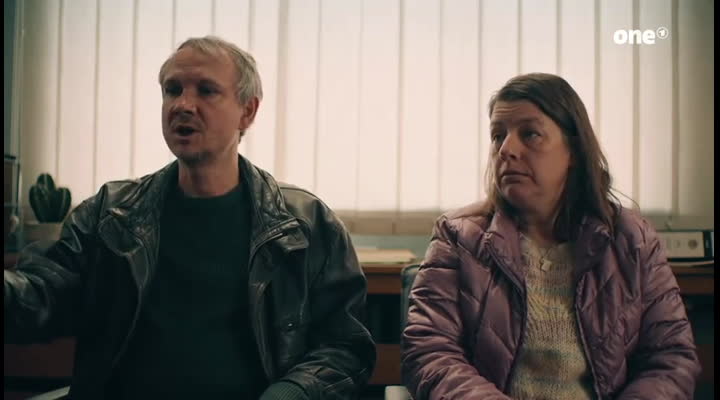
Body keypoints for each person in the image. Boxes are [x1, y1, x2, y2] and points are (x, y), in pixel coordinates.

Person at [4, 36, 375, 399]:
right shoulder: (110, 214)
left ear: (247, 111)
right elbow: (38, 298)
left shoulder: (306, 225)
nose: (182, 104)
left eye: (206, 91)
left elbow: (345, 347)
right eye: (173, 89)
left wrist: (291, 393)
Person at [401, 73, 700, 400]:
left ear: (574, 150)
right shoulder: (458, 237)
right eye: (498, 136)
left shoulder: (632, 240)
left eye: (530, 134)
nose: (507, 149)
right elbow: (430, 352)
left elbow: (671, 360)